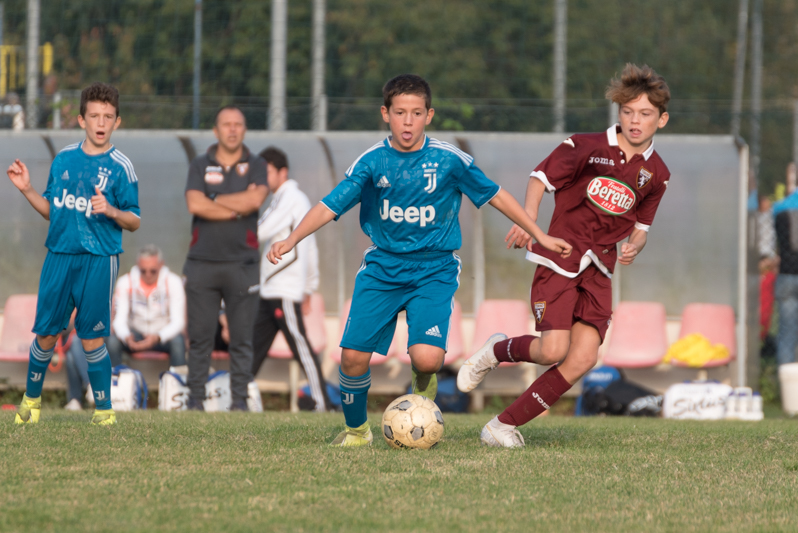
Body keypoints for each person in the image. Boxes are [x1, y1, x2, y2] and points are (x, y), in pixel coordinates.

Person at [267, 74, 571, 446]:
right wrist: (292, 239)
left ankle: (421, 402)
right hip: (382, 268)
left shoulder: (449, 160)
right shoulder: (372, 162)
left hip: (434, 269)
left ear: (429, 115)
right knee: (352, 358)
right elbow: (329, 205)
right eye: (399, 113)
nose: (407, 121)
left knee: (427, 359)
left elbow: (496, 195)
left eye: (415, 113)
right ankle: (357, 432)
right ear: (385, 114)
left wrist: (538, 233)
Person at [457, 64, 672, 447]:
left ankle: (501, 426)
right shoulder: (586, 146)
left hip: (600, 268)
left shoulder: (658, 173)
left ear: (662, 119)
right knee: (552, 350)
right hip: (560, 256)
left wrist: (634, 245)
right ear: (618, 113)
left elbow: (642, 227)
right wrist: (529, 221)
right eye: (628, 112)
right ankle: (495, 350)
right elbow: (539, 179)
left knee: (583, 358)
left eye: (645, 113)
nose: (635, 121)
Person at [7, 82, 140, 425]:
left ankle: (104, 412)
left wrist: (111, 210)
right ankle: (31, 403)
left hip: (99, 260)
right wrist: (27, 190)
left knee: (92, 337)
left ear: (117, 122)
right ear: (81, 120)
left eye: (107, 117)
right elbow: (52, 211)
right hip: (59, 256)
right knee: (46, 334)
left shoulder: (121, 166)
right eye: (94, 116)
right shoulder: (64, 159)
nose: (100, 122)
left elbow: (135, 220)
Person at [183, 105, 268, 411]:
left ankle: (240, 403)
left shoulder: (257, 164)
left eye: (238, 124)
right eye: (226, 124)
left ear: (244, 130)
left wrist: (214, 198)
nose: (232, 129)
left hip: (243, 265)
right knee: (200, 338)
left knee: (242, 339)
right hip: (201, 263)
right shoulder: (199, 164)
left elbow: (255, 200)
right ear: (215, 130)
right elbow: (195, 204)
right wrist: (235, 208)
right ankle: (194, 400)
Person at [252, 147, 330, 412]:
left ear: (282, 172)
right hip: (270, 290)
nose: (262, 178)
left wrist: (307, 288)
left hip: (283, 289)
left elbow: (260, 231)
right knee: (253, 349)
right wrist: (309, 286)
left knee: (302, 348)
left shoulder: (291, 197)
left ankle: (322, 402)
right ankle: (236, 398)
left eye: (266, 172)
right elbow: (311, 247)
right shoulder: (282, 198)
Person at [107, 244, 187, 371]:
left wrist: (158, 336)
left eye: (153, 271)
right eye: (143, 271)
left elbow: (178, 322)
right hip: (135, 334)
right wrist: (126, 336)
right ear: (137, 265)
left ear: (161, 265)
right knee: (112, 341)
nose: (148, 275)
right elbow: (119, 320)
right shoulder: (125, 282)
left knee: (178, 341)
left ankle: (178, 380)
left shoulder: (173, 281)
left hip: (163, 335)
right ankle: (115, 380)